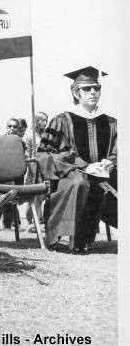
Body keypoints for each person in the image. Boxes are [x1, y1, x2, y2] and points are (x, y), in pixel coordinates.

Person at [37, 66, 117, 253]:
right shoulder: (62, 120)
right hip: (70, 175)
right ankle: (75, 239)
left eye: (96, 88)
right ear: (75, 92)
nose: (92, 92)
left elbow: (119, 151)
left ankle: (84, 238)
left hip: (107, 176)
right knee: (80, 183)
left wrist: (111, 162)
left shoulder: (112, 122)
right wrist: (84, 166)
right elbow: (45, 154)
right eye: (86, 88)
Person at [23, 112, 48, 232]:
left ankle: (37, 221)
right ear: (37, 120)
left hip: (44, 167)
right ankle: (32, 222)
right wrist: (31, 168)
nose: (45, 122)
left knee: (41, 196)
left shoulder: (46, 134)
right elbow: (26, 153)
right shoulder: (29, 134)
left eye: (46, 120)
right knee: (32, 197)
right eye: (42, 120)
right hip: (33, 166)